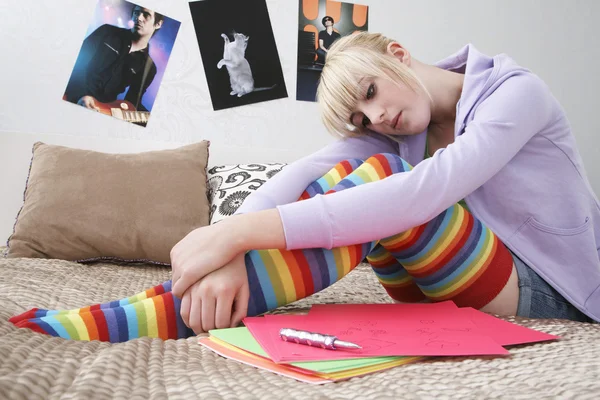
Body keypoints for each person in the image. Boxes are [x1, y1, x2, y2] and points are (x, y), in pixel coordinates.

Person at [11, 32, 600, 342]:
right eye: (362, 121)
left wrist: (245, 231)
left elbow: (425, 195)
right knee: (350, 179)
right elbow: (306, 172)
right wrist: (227, 249)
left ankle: (154, 318)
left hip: (553, 289)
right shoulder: (398, 133)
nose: (377, 120)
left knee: (389, 187)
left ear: (398, 56)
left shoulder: (515, 93)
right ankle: (153, 304)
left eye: (371, 94)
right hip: (457, 284)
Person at [64, 6, 163, 112]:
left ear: (158, 24)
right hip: (70, 96)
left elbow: (132, 102)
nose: (138, 18)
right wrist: (81, 94)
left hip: (103, 110)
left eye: (146, 15)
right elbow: (76, 62)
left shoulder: (149, 68)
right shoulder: (106, 31)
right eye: (136, 13)